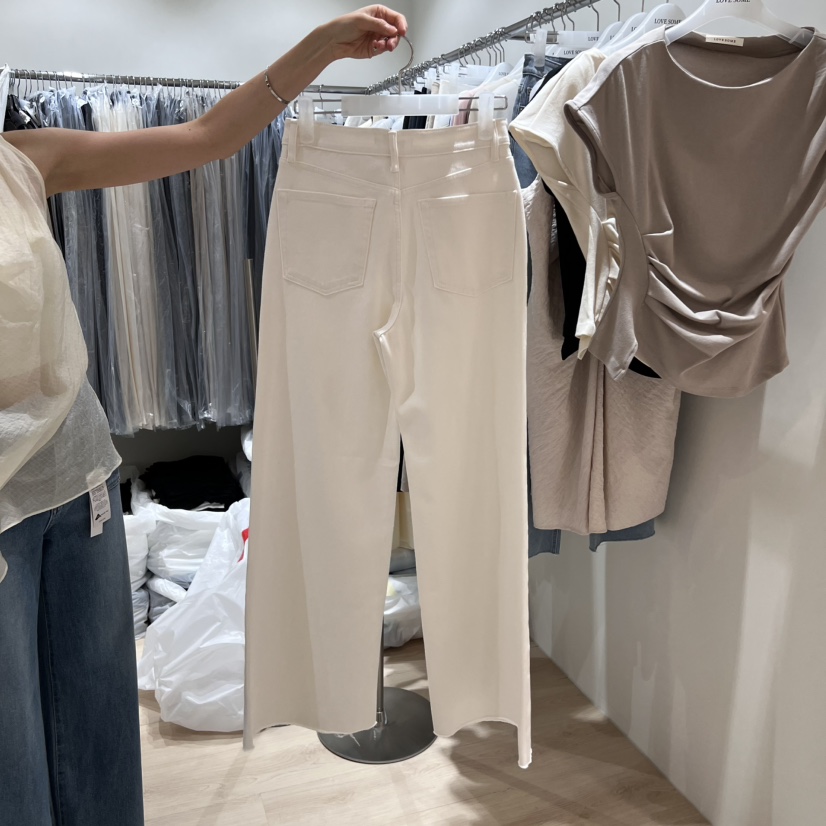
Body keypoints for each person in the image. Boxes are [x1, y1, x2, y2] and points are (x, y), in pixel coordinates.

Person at [0, 6, 407, 825]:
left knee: (99, 742)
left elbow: (208, 138)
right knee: (16, 773)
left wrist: (321, 47)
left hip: (79, 484)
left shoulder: (19, 162)